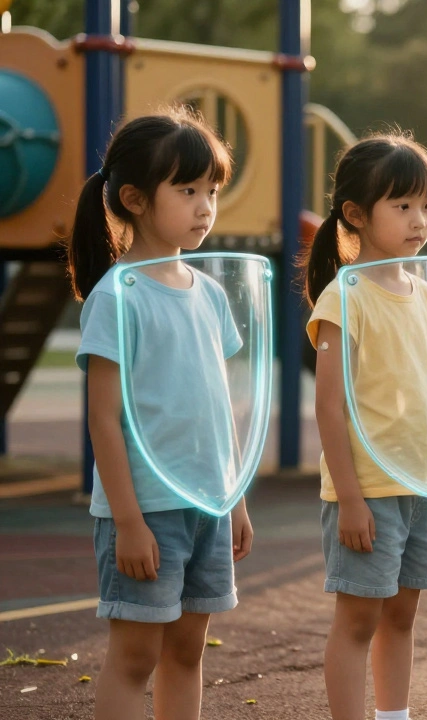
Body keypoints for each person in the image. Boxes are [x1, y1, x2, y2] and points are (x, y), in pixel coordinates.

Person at [69, 108, 254, 720]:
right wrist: (127, 521)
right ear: (134, 199)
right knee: (134, 656)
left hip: (208, 505)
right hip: (146, 509)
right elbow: (103, 419)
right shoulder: (117, 296)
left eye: (212, 191)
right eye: (187, 189)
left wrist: (236, 501)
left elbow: (219, 406)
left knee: (187, 650)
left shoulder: (209, 293)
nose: (205, 206)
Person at [304, 133, 427, 720]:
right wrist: (349, 498)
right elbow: (329, 407)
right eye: (402, 206)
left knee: (402, 614)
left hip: (419, 485)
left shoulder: (424, 295)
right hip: (367, 490)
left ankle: (394, 716)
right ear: (356, 215)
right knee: (357, 620)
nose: (419, 219)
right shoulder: (344, 297)